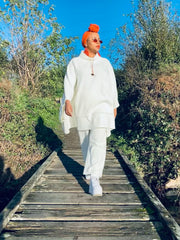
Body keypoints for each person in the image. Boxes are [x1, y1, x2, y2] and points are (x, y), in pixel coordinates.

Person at [60, 23, 119, 196]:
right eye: (94, 40)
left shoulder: (105, 63)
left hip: (103, 107)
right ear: (85, 42)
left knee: (98, 141)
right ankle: (90, 171)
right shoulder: (75, 63)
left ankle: (94, 179)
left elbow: (112, 85)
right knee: (86, 142)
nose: (98, 42)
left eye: (99, 40)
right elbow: (69, 82)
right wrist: (68, 101)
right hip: (83, 108)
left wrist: (114, 104)